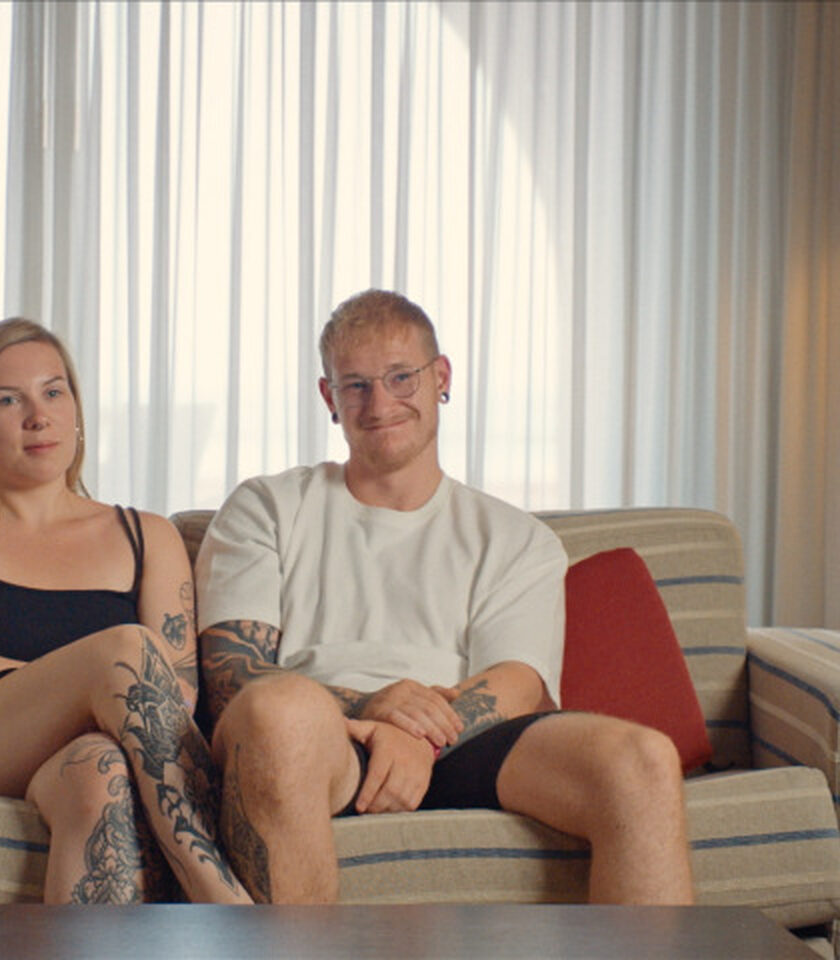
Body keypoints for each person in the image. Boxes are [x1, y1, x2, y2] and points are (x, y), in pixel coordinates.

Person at [195, 289, 694, 904]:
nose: (380, 404)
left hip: (465, 743)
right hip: (318, 737)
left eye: (400, 377)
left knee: (643, 760)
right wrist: (371, 706)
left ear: (441, 378)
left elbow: (518, 681)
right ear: (329, 398)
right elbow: (232, 676)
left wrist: (418, 739)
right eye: (356, 385)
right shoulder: (268, 506)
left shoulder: (514, 537)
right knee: (277, 713)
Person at [0, 317, 250, 905]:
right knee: (125, 651)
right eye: (8, 400)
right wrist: (86, 680)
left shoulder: (146, 535)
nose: (38, 416)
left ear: (75, 408)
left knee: (98, 769)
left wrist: (95, 689)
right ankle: (228, 908)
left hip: (99, 749)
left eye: (53, 392)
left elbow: (175, 694)